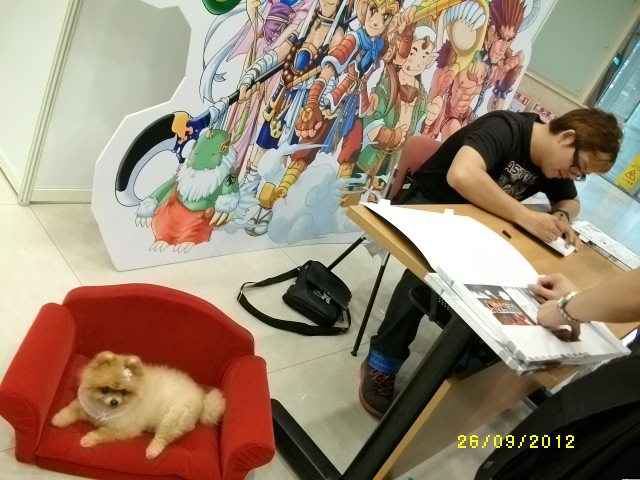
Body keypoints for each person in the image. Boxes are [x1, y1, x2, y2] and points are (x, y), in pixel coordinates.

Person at [358, 107, 623, 418]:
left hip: (478, 220)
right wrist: (525, 216)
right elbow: (461, 175)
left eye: (581, 175)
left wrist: (562, 215)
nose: (573, 176)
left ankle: (469, 354)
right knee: (429, 268)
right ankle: (383, 359)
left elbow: (570, 200)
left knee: (520, 272)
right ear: (566, 138)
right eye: (578, 168)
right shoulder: (505, 128)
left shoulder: (552, 163)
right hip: (430, 204)